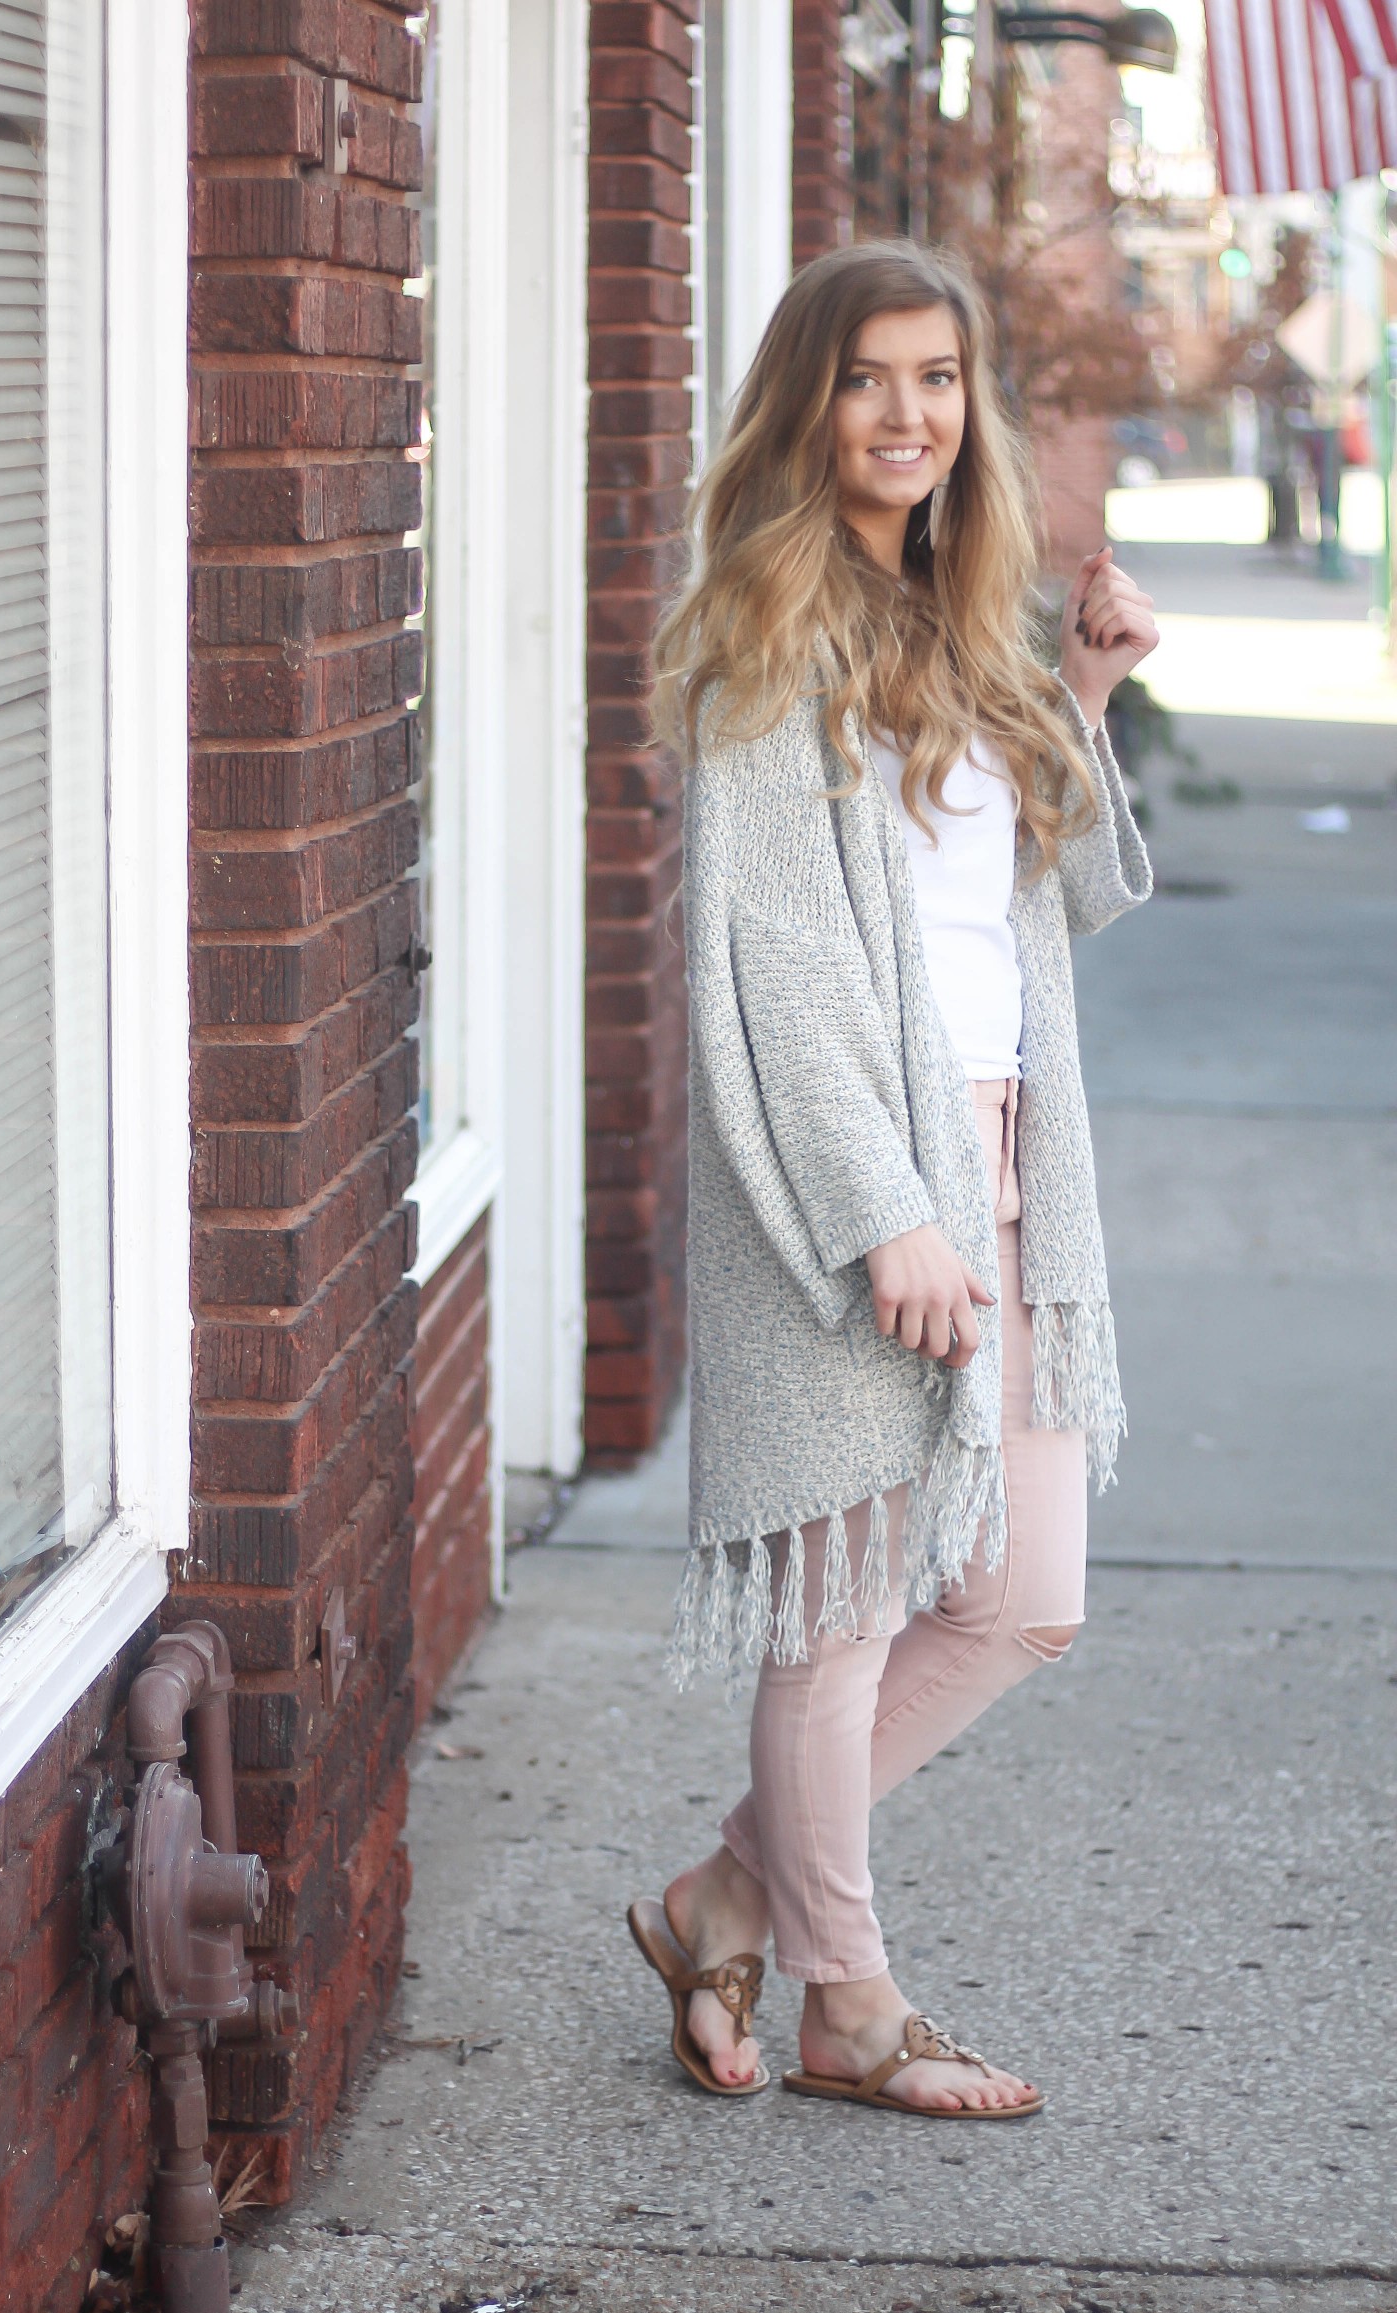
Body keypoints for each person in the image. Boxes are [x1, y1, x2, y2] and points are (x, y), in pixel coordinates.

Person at [627, 241, 1159, 2119]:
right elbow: (780, 973)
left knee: (1022, 1598)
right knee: (843, 1606)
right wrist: (888, 1213)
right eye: (871, 378)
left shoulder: (965, 623)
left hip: (1016, 1159)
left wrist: (1079, 698)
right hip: (857, 1183)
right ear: (810, 399)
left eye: (938, 380)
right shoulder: (769, 631)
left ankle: (723, 1897)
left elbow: (1058, 909)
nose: (909, 415)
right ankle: (851, 2001)